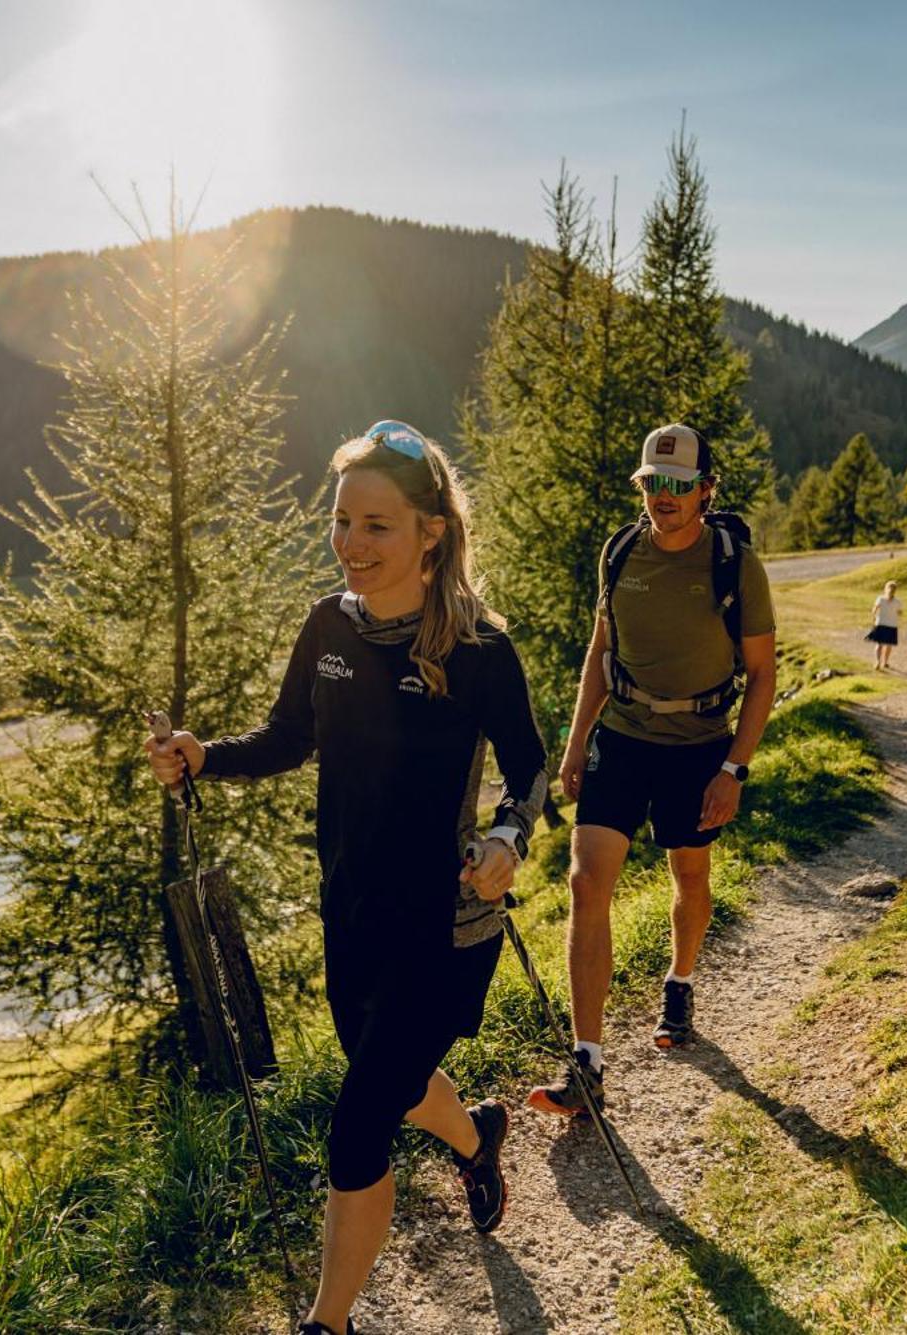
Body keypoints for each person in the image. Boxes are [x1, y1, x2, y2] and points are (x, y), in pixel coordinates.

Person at [145, 421, 547, 1335]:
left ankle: (327, 1323)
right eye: (342, 522)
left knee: (358, 1123)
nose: (352, 545)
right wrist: (204, 755)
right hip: (353, 914)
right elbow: (290, 737)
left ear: (431, 531)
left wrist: (506, 838)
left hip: (445, 925)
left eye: (377, 526)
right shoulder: (328, 625)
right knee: (396, 1084)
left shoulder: (480, 647)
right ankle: (479, 1135)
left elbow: (530, 769)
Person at [527, 423, 777, 1121]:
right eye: (651, 483)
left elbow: (762, 675)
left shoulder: (733, 562)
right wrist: (576, 744)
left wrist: (734, 768)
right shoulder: (621, 553)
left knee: (688, 875)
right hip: (624, 736)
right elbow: (599, 654)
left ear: (704, 490)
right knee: (584, 880)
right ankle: (587, 1063)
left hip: (699, 744)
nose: (662, 497)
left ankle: (681, 979)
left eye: (677, 485)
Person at [868, 580, 901, 671]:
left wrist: (874, 618)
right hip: (892, 625)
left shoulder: (880, 599)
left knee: (879, 645)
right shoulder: (898, 602)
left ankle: (877, 661)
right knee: (888, 645)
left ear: (885, 589)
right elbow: (899, 613)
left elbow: (874, 610)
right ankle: (885, 662)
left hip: (880, 623)